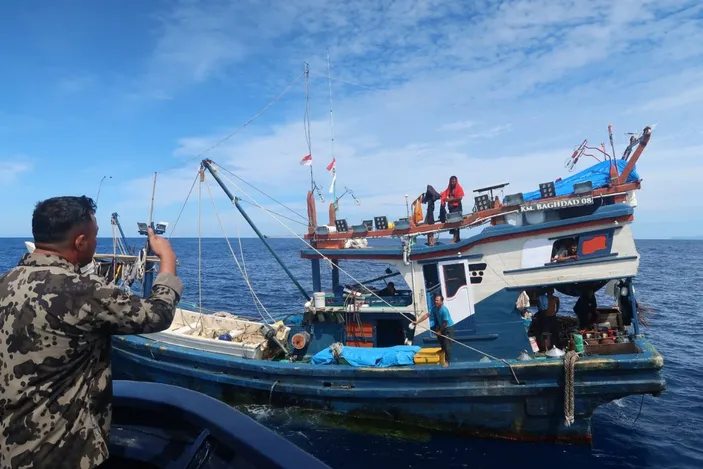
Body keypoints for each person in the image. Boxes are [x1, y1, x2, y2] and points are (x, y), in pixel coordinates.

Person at [0, 196, 183, 469]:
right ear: (80, 242)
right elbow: (157, 314)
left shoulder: (6, 282)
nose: (96, 243)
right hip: (63, 454)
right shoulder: (83, 290)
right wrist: (168, 260)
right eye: (95, 236)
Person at [411, 294, 455, 366]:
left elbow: (445, 322)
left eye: (437, 300)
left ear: (442, 301)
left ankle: (447, 361)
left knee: (447, 345)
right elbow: (427, 315)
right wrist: (417, 322)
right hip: (441, 326)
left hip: (448, 327)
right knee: (441, 339)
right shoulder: (434, 308)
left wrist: (440, 331)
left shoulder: (444, 310)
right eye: (435, 300)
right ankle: (442, 350)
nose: (435, 302)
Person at [440, 176, 464, 243]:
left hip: (457, 207)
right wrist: (442, 197)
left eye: (453, 181)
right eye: (451, 181)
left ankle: (455, 238)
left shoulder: (459, 188)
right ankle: (456, 238)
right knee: (452, 222)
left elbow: (460, 197)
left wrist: (450, 199)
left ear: (456, 181)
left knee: (456, 222)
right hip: (451, 208)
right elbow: (444, 194)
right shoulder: (449, 188)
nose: (452, 183)